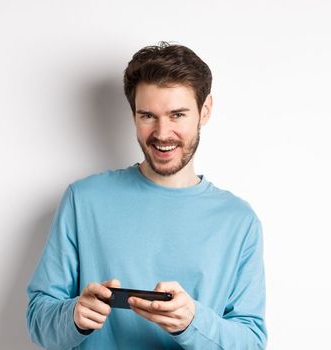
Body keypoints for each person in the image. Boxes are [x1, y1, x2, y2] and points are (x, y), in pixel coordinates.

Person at [25, 41, 267, 349]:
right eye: (147, 116)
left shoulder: (238, 221)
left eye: (177, 114)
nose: (162, 133)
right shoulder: (83, 200)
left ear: (204, 110)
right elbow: (37, 318)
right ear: (133, 114)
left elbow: (252, 342)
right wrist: (73, 316)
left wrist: (193, 322)